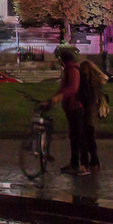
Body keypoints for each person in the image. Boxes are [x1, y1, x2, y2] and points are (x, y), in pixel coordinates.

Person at [43, 48, 88, 176]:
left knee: (78, 137)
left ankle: (82, 164)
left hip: (76, 106)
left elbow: (72, 88)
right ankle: (75, 163)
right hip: (71, 107)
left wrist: (58, 98)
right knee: (75, 136)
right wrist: (53, 98)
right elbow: (63, 88)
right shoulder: (69, 70)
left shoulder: (73, 70)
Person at [78, 57, 109, 170]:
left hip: (86, 111)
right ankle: (94, 161)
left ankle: (87, 162)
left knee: (85, 137)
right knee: (90, 137)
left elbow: (85, 97)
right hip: (92, 112)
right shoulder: (97, 82)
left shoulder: (86, 82)